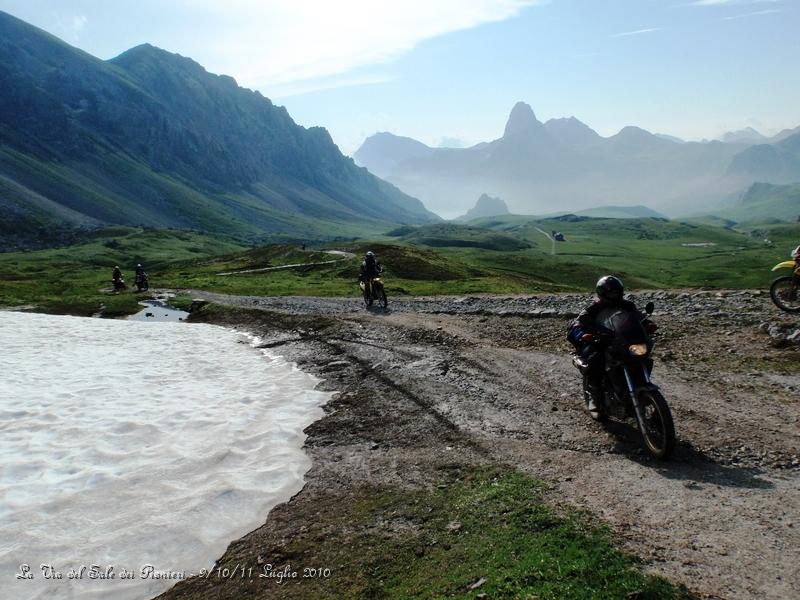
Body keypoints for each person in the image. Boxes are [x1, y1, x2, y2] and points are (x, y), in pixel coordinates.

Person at [567, 276, 656, 413]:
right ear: (602, 293)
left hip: (623, 342)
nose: (614, 295)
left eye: (616, 292)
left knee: (643, 358)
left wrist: (648, 324)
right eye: (611, 292)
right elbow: (577, 325)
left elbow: (638, 318)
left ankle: (641, 392)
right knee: (596, 361)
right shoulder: (593, 309)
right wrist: (583, 335)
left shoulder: (627, 305)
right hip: (602, 343)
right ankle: (595, 397)